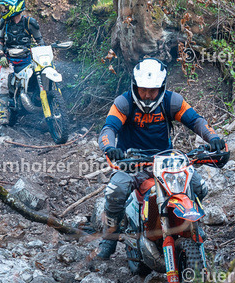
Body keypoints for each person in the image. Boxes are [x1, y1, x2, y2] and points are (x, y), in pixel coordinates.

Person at [96, 57, 228, 259]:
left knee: (199, 187)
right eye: (143, 89)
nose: (147, 95)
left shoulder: (172, 101)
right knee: (116, 191)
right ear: (134, 85)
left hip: (166, 161)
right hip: (132, 163)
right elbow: (109, 128)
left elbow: (196, 121)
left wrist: (213, 137)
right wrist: (110, 148)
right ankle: (110, 238)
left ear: (162, 87)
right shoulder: (123, 103)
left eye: (153, 90)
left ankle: (189, 227)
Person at [0, 0, 42, 124]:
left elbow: (40, 42)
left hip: (27, 60)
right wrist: (1, 55)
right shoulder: (5, 23)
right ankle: (3, 111)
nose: (4, 11)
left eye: (6, 8)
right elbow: (0, 41)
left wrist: (42, 52)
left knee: (41, 74)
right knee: (4, 81)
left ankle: (40, 100)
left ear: (14, 7)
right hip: (9, 61)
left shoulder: (30, 23)